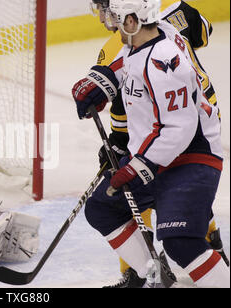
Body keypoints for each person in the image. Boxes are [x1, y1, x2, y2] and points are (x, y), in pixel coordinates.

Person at [72, 0, 229, 288]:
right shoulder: (155, 33)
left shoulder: (164, 62)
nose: (112, 24)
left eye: (117, 19)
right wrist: (102, 81)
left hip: (191, 156)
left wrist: (136, 167)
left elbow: (180, 129)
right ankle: (153, 274)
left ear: (131, 21)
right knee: (102, 208)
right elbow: (127, 60)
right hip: (160, 151)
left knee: (179, 240)